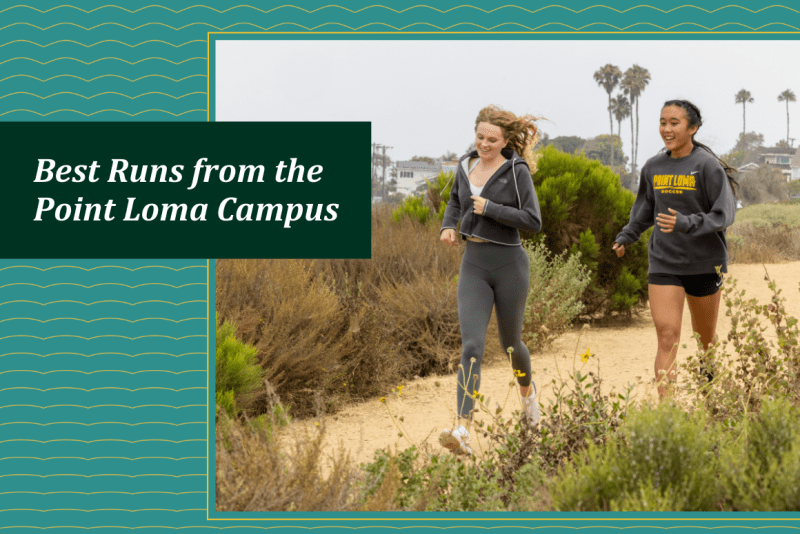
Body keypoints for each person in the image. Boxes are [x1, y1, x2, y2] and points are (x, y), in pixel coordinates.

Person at [613, 99, 738, 397]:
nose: (666, 129)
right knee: (667, 336)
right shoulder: (654, 167)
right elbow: (644, 210)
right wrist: (628, 235)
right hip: (664, 262)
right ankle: (668, 417)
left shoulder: (706, 166)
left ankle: (711, 401)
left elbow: (724, 215)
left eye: (674, 123)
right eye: (662, 122)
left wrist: (686, 223)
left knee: (705, 341)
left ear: (692, 128)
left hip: (705, 263)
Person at [438, 105, 543, 455]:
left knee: (511, 344)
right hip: (474, 265)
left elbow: (532, 219)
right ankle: (462, 429)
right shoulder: (465, 165)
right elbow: (455, 202)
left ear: (506, 141)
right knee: (472, 346)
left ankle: (529, 402)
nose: (484, 143)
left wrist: (490, 208)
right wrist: (449, 226)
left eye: (492, 139)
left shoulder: (517, 171)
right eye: (480, 136)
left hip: (510, 264)